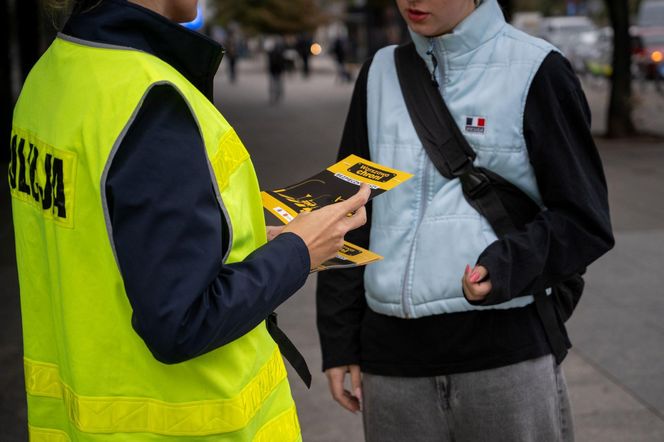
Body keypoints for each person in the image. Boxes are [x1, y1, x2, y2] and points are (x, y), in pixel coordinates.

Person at [9, 0, 369, 440]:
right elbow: (181, 322)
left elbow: (105, 239)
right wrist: (298, 251)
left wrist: (254, 240)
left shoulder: (51, 74)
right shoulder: (150, 99)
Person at [317, 0, 615, 441]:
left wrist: (505, 265)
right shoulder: (379, 72)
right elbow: (348, 208)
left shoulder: (537, 69)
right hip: (391, 364)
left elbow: (584, 218)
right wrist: (339, 337)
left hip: (504, 356)